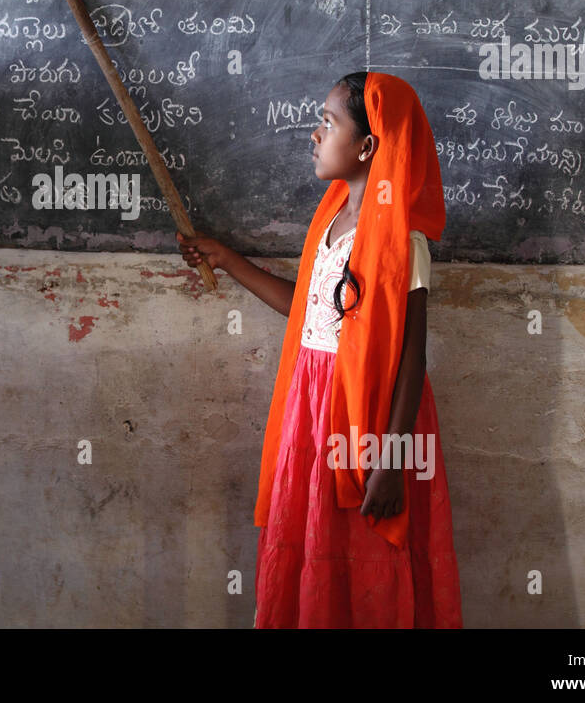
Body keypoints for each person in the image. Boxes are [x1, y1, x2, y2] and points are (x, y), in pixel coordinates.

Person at [177, 71, 462, 628]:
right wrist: (228, 260)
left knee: (364, 550)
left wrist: (391, 460)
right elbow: (312, 312)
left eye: (328, 123)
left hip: (370, 415)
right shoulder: (331, 220)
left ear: (367, 146)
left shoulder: (404, 239)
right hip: (312, 407)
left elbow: (412, 358)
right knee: (312, 540)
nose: (314, 134)